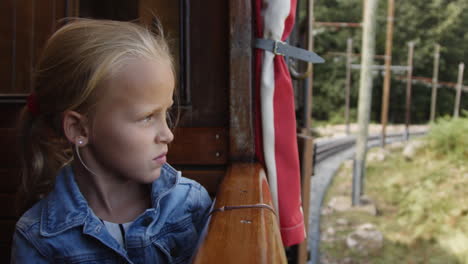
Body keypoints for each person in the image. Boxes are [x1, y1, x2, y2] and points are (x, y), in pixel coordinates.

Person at [11, 18, 212, 264]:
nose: (167, 134)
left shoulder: (190, 205)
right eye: (147, 117)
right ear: (79, 128)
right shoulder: (38, 238)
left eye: (166, 113)